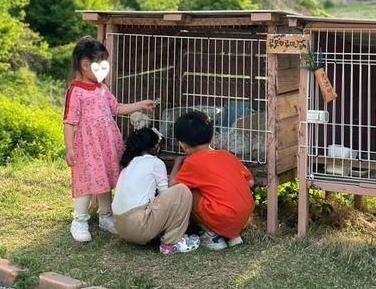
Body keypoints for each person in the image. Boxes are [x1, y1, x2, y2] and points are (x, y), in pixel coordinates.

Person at [63, 36, 156, 242]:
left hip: (106, 143)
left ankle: (106, 216)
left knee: (103, 177)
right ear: (85, 64)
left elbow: (117, 108)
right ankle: (79, 219)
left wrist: (140, 104)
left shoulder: (102, 89)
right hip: (87, 146)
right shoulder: (76, 91)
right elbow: (69, 121)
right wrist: (69, 147)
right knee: (87, 181)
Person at [169, 110, 255, 251]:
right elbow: (250, 182)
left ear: (182, 145)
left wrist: (178, 163)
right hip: (243, 217)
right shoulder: (226, 154)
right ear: (212, 137)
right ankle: (233, 236)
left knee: (186, 191)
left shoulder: (192, 162)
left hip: (223, 217)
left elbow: (172, 185)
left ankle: (212, 235)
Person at [112, 128, 200, 255]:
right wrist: (177, 163)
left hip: (120, 227)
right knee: (182, 191)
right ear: (154, 147)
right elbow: (167, 193)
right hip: (138, 226)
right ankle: (171, 242)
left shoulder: (129, 164)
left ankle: (158, 233)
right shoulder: (155, 162)